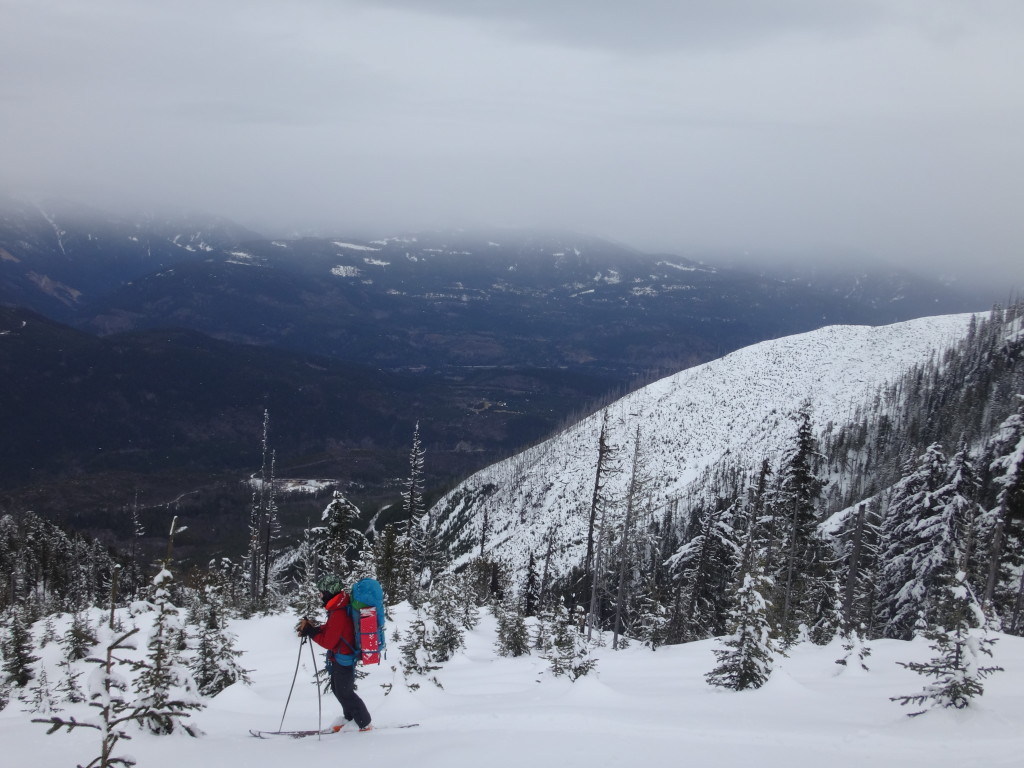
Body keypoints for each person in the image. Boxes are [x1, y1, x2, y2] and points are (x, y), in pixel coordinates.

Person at [297, 574, 373, 732]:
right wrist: (316, 629)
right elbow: (333, 630)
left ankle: (364, 723)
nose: (320, 596)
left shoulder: (338, 611)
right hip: (341, 656)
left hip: (344, 657)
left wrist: (312, 633)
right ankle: (350, 719)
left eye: (322, 593)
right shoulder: (339, 607)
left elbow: (329, 642)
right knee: (338, 689)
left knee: (344, 691)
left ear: (329, 592)